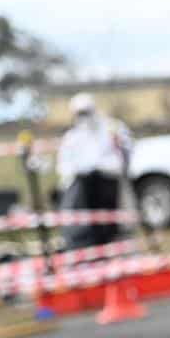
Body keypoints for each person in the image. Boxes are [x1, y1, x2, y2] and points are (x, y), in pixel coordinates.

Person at [56, 92, 132, 249]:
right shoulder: (72, 136)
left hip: (109, 184)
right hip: (82, 188)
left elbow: (126, 152)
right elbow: (64, 165)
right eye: (80, 113)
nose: (83, 117)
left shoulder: (112, 128)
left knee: (110, 224)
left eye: (86, 112)